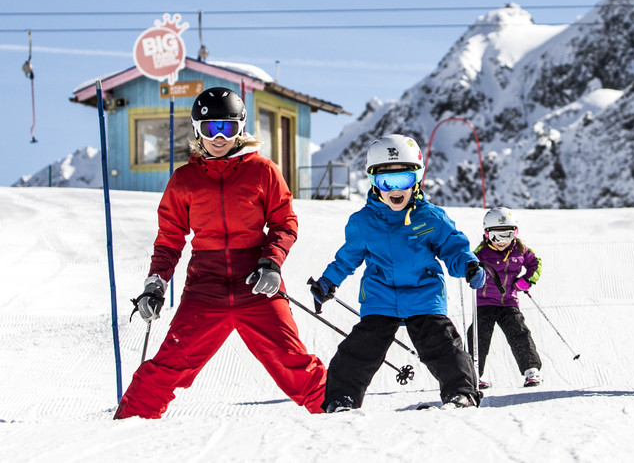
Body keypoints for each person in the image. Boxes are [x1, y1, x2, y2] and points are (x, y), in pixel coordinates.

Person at [114, 87, 326, 419]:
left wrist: (271, 263)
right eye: (210, 127)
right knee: (167, 367)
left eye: (227, 127)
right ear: (197, 128)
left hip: (257, 286)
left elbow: (284, 222)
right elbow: (169, 239)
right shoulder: (185, 180)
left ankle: (340, 417)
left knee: (294, 362)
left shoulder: (263, 171)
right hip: (206, 289)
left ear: (240, 128)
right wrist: (155, 285)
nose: (218, 136)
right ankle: (124, 430)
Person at [310, 134, 486, 410]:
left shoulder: (430, 218)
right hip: (380, 298)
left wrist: (468, 264)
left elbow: (453, 246)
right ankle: (340, 399)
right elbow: (347, 258)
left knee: (444, 347)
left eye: (403, 180)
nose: (395, 190)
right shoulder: (363, 223)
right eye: (386, 182)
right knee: (359, 350)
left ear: (416, 179)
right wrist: (328, 282)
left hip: (423, 296)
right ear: (373, 182)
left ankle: (460, 394)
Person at [469, 206, 543, 389]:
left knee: (519, 332)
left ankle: (531, 370)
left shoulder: (521, 250)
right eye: (496, 236)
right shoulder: (481, 253)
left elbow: (536, 263)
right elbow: (468, 265)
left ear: (515, 234)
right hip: (484, 303)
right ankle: (472, 374)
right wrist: (471, 271)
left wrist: (527, 281)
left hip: (508, 301)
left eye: (507, 235)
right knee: (478, 336)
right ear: (487, 235)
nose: (501, 241)